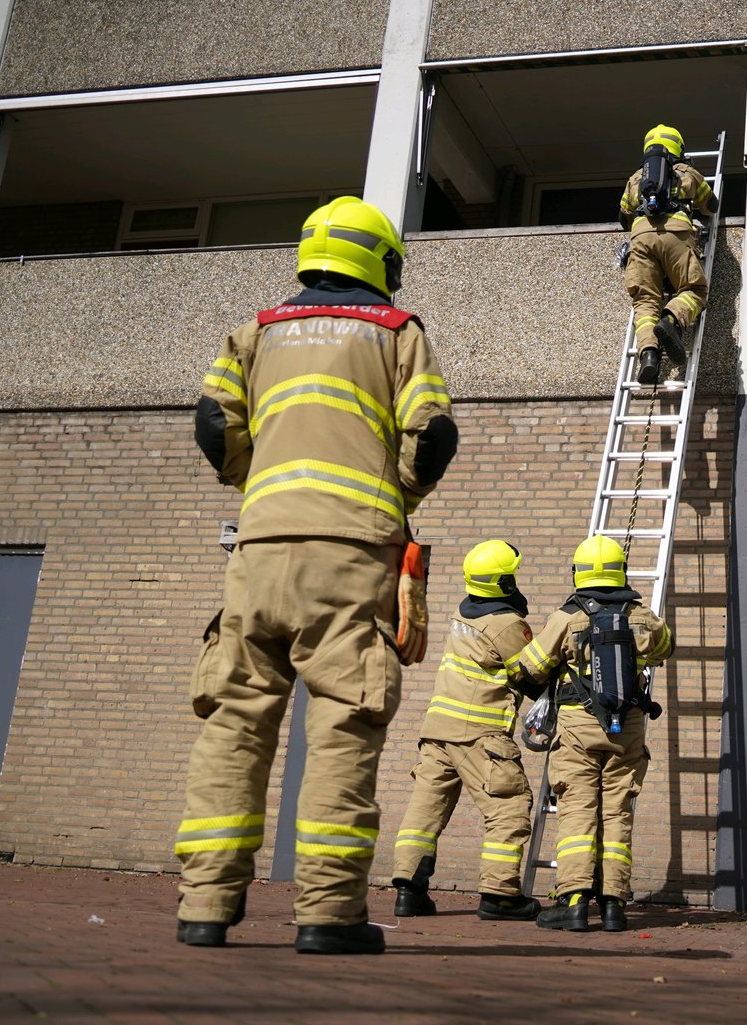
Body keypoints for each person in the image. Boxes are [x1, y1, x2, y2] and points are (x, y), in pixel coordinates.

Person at [175, 196, 459, 955]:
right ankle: (327, 916)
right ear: (380, 262)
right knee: (343, 729)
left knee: (232, 724)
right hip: (352, 557)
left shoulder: (256, 331)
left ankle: (205, 907)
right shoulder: (397, 334)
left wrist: (257, 485)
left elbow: (213, 422)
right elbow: (431, 434)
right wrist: (394, 496)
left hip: (259, 551)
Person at [517, 535, 673, 933]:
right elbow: (665, 648)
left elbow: (530, 668)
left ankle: (572, 902)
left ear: (579, 572)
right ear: (621, 570)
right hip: (628, 727)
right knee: (617, 812)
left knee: (578, 812)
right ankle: (614, 905)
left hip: (578, 729)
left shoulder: (567, 617)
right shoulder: (640, 614)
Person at [388, 539, 544, 922]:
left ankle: (409, 891)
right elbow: (531, 676)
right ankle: (500, 896)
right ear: (504, 583)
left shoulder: (464, 614)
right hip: (480, 734)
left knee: (426, 809)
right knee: (508, 808)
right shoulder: (506, 623)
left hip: (437, 730)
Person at [619, 124, 719, 386]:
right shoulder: (686, 173)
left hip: (640, 238)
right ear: (678, 148)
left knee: (644, 302)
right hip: (676, 234)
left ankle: (649, 355)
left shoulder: (635, 179)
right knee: (694, 290)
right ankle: (672, 320)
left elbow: (623, 216)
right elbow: (711, 206)